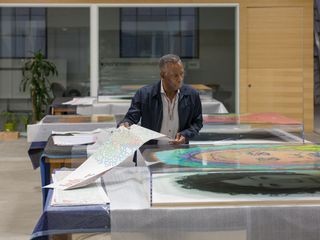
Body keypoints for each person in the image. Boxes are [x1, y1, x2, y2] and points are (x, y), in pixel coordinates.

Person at [119, 54, 203, 144]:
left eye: (181, 73)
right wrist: (125, 125)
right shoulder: (144, 95)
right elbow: (131, 118)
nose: (180, 79)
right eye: (175, 75)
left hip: (180, 152)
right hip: (150, 151)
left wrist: (186, 135)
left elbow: (197, 122)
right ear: (162, 75)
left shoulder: (192, 95)